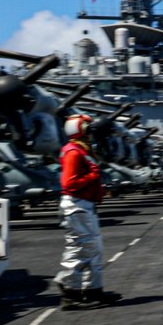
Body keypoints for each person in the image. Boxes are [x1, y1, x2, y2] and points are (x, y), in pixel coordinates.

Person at [54, 114, 122, 310]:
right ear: (80, 130)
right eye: (88, 129)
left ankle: (93, 290)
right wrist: (92, 176)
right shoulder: (73, 152)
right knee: (79, 249)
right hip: (76, 206)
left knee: (94, 249)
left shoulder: (82, 150)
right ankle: (70, 292)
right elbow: (68, 183)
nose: (92, 134)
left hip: (84, 205)